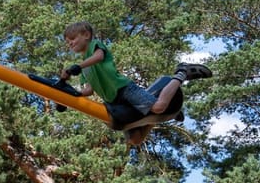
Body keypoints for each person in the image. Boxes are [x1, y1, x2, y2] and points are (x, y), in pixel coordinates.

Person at [59, 21, 211, 145]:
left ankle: (182, 73)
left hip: (125, 90)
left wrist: (78, 66)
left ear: (86, 35)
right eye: (67, 42)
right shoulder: (85, 70)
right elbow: (89, 90)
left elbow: (99, 57)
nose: (70, 44)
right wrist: (71, 93)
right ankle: (160, 116)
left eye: (72, 39)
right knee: (135, 140)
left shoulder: (95, 46)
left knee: (158, 107)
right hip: (114, 102)